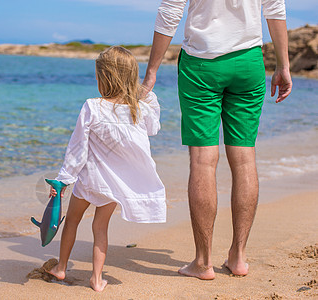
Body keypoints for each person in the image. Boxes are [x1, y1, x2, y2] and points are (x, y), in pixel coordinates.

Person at [142, 0, 292, 280]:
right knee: (245, 159)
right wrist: (283, 64)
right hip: (248, 63)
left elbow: (170, 11)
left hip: (201, 64)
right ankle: (238, 257)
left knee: (203, 161)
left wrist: (151, 72)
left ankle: (203, 261)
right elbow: (275, 9)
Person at [47, 46, 166, 291]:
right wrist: (148, 96)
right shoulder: (138, 109)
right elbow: (154, 127)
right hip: (113, 184)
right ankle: (96, 278)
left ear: (104, 78)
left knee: (71, 222)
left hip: (89, 180)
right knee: (100, 228)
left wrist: (63, 180)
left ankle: (61, 267)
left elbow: (77, 147)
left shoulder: (92, 106)